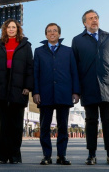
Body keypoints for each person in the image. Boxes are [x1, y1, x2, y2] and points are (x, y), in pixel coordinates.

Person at [71, 9, 109, 166]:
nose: (94, 20)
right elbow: (74, 67)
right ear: (84, 23)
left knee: (108, 121)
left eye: (96, 18)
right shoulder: (77, 40)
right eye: (90, 18)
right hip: (88, 86)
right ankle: (91, 154)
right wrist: (76, 89)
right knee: (91, 121)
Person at [0, 19, 33, 164]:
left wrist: (28, 86)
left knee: (16, 126)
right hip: (1, 88)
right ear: (5, 30)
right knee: (2, 126)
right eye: (8, 27)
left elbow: (30, 68)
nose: (11, 29)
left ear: (18, 29)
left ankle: (14, 156)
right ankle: (1, 156)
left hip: (19, 89)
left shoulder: (25, 46)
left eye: (14, 27)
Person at [33, 23, 80, 165]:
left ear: (59, 34)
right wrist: (35, 92)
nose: (52, 33)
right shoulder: (39, 51)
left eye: (55, 31)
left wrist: (76, 92)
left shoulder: (68, 51)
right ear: (45, 34)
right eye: (49, 31)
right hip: (45, 94)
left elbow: (74, 72)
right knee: (45, 127)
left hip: (64, 93)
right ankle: (47, 156)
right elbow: (35, 74)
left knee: (63, 127)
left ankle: (61, 156)